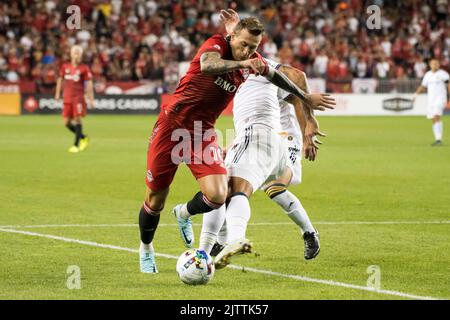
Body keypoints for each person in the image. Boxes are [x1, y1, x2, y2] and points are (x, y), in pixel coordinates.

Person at [138, 13, 335, 273]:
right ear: (231, 37)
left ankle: (185, 216)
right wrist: (241, 63)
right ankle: (146, 248)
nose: (248, 52)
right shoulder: (216, 45)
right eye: (244, 45)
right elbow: (208, 65)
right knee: (155, 200)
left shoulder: (250, 59)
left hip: (201, 133)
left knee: (219, 195)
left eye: (253, 48)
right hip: (171, 127)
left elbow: (278, 76)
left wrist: (305, 97)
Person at [55, 45, 94, 153]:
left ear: (81, 55)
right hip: (67, 97)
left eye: (78, 53)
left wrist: (91, 99)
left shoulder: (84, 68)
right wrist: (57, 93)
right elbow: (60, 80)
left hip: (78, 98)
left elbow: (89, 84)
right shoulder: (65, 67)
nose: (77, 55)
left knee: (77, 119)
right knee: (66, 123)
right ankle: (83, 137)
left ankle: (76, 145)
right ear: (71, 54)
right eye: (75, 53)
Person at [413, 59, 450, 146]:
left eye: (436, 63)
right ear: (430, 65)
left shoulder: (443, 74)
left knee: (436, 116)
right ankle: (437, 139)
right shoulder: (428, 75)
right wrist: (415, 95)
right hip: (431, 100)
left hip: (440, 99)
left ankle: (439, 140)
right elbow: (423, 86)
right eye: (433, 64)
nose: (435, 65)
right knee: (433, 118)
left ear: (439, 65)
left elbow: (448, 84)